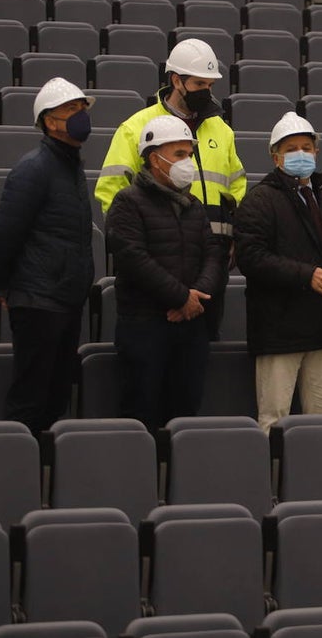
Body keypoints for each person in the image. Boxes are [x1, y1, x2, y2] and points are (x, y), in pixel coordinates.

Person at [95, 38, 244, 337]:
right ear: (177, 80)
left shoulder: (222, 130)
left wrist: (233, 236)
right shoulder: (136, 127)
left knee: (197, 361)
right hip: (157, 266)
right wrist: (141, 249)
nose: (207, 92)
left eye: (210, 85)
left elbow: (237, 186)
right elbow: (111, 191)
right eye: (199, 83)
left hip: (210, 267)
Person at [234, 112, 322, 433]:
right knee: (273, 420)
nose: (300, 154)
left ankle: (316, 481)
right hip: (279, 330)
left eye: (306, 147)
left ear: (317, 152)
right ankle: (271, 482)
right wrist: (307, 275)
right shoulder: (259, 200)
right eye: (291, 148)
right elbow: (251, 258)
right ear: (275, 156)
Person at [105, 115, 227, 430]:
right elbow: (133, 258)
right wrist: (180, 297)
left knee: (184, 416)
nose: (186, 162)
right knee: (141, 416)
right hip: (145, 327)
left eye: (189, 155)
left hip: (191, 327)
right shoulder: (128, 202)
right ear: (153, 158)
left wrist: (195, 299)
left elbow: (213, 254)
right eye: (178, 155)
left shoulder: (194, 204)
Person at [0, 77, 96, 435]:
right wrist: (3, 284)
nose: (81, 116)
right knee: (30, 400)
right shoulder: (33, 168)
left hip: (65, 298)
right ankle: (14, 473)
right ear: (50, 121)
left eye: (82, 109)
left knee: (54, 397)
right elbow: (5, 234)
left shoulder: (70, 165)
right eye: (71, 109)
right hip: (38, 300)